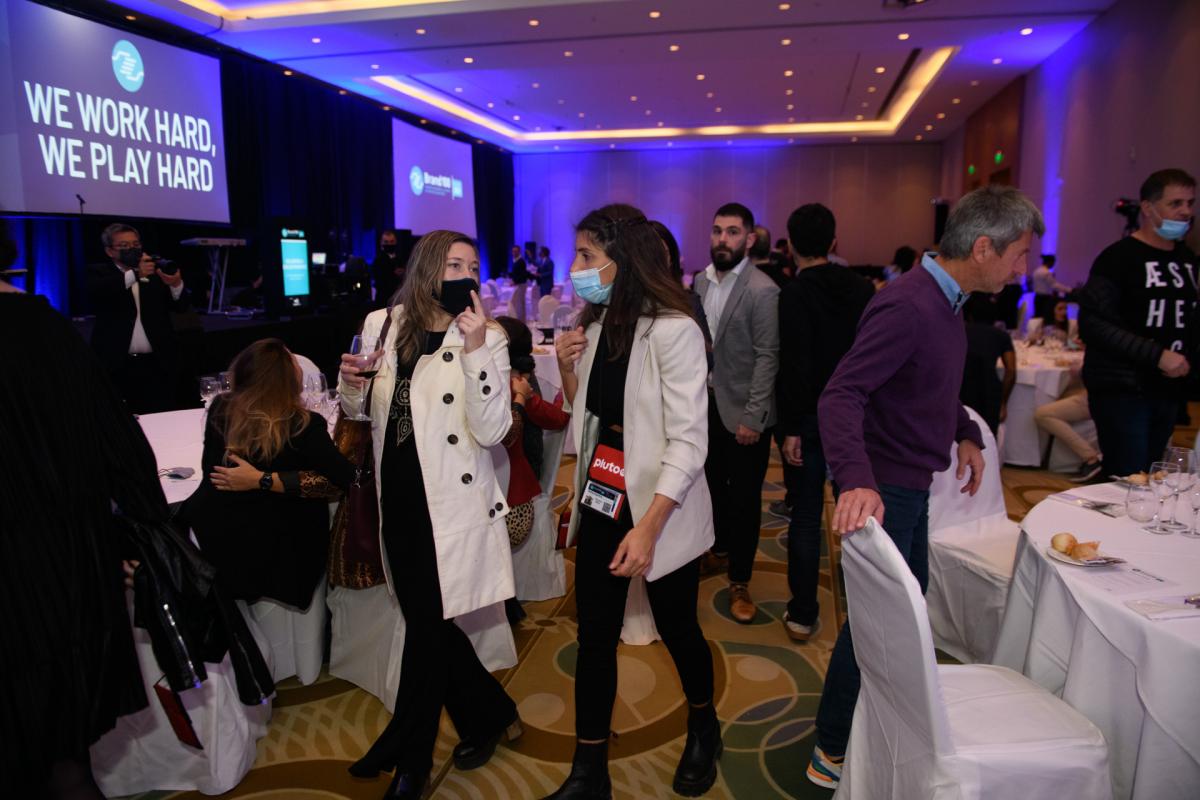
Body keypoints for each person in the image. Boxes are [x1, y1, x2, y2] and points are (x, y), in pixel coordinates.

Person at [809, 184, 1041, 790]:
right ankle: (832, 745)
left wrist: (963, 430)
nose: (1024, 268)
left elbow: (926, 384)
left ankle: (870, 726)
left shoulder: (947, 299)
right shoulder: (910, 305)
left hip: (910, 484)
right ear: (984, 247)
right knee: (880, 622)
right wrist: (856, 479)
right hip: (886, 488)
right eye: (1019, 254)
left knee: (899, 616)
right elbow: (841, 394)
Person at [338, 231, 521, 799]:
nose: (466, 275)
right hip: (397, 496)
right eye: (454, 265)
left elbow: (493, 431)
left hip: (451, 503)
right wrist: (349, 384)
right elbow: (359, 413)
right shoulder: (382, 324)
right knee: (430, 622)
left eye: (473, 266)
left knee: (425, 628)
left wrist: (476, 351)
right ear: (426, 269)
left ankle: (410, 756)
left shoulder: (486, 336)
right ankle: (492, 713)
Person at [547, 203, 718, 799]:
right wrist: (569, 371)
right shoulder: (597, 328)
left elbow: (689, 443)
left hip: (662, 502)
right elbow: (590, 420)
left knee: (678, 627)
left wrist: (649, 527)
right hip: (604, 490)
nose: (576, 267)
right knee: (594, 634)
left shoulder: (674, 330)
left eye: (587, 255)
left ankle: (705, 725)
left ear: (622, 260)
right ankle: (588, 770)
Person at [183, 339, 354, 607]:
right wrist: (267, 481)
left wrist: (257, 480)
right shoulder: (303, 425)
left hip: (219, 544)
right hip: (281, 555)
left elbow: (213, 476)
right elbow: (347, 478)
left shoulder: (221, 409)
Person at [776, 204, 874, 642]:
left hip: (811, 419)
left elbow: (794, 365)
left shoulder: (794, 294)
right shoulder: (862, 289)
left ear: (791, 246)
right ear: (834, 242)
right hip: (855, 419)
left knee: (805, 517)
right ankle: (869, 610)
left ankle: (802, 612)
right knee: (860, 515)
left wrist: (791, 428)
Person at [1078, 168, 1198, 476]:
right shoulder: (1118, 258)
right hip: (1122, 388)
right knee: (1127, 477)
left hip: (1168, 389)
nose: (1185, 211)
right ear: (1147, 207)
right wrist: (1157, 355)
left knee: (1153, 475)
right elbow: (1093, 324)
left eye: (1190, 203)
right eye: (1175, 203)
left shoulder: (1187, 261)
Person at [693, 202, 780, 623]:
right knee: (709, 487)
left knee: (744, 499)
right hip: (705, 406)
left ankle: (740, 580)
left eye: (731, 232)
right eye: (717, 231)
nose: (722, 239)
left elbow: (768, 357)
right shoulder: (699, 282)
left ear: (749, 239)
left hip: (744, 412)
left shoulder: (763, 290)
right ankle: (719, 550)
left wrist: (753, 416)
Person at [87, 222, 189, 413]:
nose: (131, 249)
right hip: (117, 364)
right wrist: (135, 274)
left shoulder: (153, 272)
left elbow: (180, 307)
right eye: (124, 245)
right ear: (110, 251)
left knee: (161, 414)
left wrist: (175, 284)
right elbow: (100, 292)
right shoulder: (98, 273)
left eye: (135, 244)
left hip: (156, 363)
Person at [493, 316, 570, 551]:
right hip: (511, 496)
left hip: (496, 496)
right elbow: (558, 418)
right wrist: (563, 394)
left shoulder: (506, 383)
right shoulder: (516, 385)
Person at [958, 292, 1017, 436]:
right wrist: (1003, 402)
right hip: (989, 390)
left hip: (961, 389)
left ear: (970, 315)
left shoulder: (960, 331)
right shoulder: (1001, 335)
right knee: (988, 437)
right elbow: (1011, 370)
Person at [1035, 369, 1103, 482]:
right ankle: (1091, 458)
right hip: (1096, 392)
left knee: (1042, 414)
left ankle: (1091, 458)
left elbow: (1080, 372)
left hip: (1099, 396)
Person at [1031, 253, 1072, 322]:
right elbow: (1054, 285)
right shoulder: (1046, 273)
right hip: (1045, 299)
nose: (1053, 265)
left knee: (1037, 317)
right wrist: (1069, 289)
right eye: (1053, 263)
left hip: (1037, 298)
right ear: (1049, 262)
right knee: (1045, 318)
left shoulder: (1036, 271)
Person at [372, 229, 406, 308]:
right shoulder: (378, 260)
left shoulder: (401, 258)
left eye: (392, 241)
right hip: (384, 301)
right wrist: (393, 274)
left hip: (399, 299)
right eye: (386, 242)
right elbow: (379, 281)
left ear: (396, 242)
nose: (389, 244)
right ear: (381, 243)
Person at [510, 244, 530, 320]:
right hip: (519, 283)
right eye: (513, 251)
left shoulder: (521, 261)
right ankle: (521, 319)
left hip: (521, 284)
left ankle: (521, 320)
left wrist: (515, 281)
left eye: (515, 251)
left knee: (520, 303)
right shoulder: (516, 260)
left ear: (519, 252)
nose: (514, 253)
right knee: (519, 303)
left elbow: (522, 274)